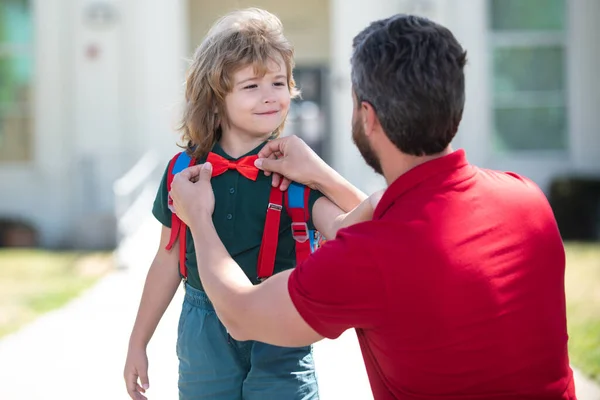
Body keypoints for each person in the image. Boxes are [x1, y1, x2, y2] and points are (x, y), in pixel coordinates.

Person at [169, 14, 577, 400]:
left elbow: (240, 315)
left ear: (368, 117)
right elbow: (392, 209)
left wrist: (199, 218)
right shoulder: (527, 199)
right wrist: (321, 174)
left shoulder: (367, 255)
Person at [123, 8, 379, 400]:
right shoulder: (185, 172)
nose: (270, 96)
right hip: (203, 331)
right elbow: (166, 260)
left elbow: (360, 229)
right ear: (215, 99)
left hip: (281, 327)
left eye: (278, 82)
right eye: (251, 86)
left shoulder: (294, 169)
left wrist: (320, 172)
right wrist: (138, 342)